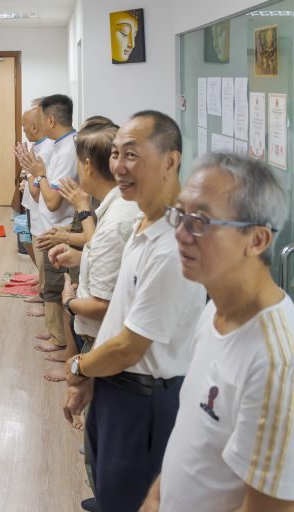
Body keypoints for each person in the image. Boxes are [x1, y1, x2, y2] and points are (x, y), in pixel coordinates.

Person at [60, 111, 206, 512]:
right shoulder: (144, 220)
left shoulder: (173, 245)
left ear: (171, 161)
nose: (119, 167)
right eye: (116, 154)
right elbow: (120, 316)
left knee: (129, 499)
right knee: (108, 489)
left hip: (143, 400)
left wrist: (78, 368)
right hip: (115, 384)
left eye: (132, 156)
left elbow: (129, 346)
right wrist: (91, 376)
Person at [142, 153, 294, 512]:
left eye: (201, 221)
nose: (179, 233)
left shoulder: (276, 362)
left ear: (257, 240)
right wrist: (158, 494)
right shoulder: (215, 308)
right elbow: (196, 436)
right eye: (179, 214)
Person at [44, 122, 140, 384]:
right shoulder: (120, 205)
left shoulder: (116, 220)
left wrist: (68, 302)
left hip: (104, 344)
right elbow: (113, 263)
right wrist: (80, 256)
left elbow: (102, 305)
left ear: (87, 165)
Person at [16, 95, 78, 348]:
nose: (37, 127)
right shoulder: (59, 145)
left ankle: (61, 339)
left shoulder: (67, 149)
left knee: (57, 285)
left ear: (50, 120)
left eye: (40, 120)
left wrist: (37, 174)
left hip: (59, 225)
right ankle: (56, 334)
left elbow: (52, 201)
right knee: (50, 283)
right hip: (48, 223)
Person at [15, 103, 54, 307]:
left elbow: (37, 193)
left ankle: (44, 297)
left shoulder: (46, 150)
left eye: (24, 126)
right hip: (32, 209)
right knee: (33, 249)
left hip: (42, 212)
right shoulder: (38, 146)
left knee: (43, 258)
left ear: (35, 126)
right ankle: (42, 289)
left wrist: (28, 172)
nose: (23, 130)